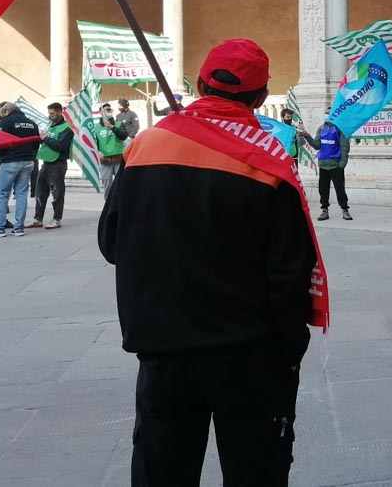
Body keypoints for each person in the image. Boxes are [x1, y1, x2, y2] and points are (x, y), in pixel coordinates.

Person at [99, 39, 319, 486]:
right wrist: (290, 349)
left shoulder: (147, 144)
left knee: (162, 473)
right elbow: (288, 273)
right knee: (254, 471)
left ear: (200, 84)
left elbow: (111, 242)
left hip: (163, 350)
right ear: (259, 98)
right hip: (248, 353)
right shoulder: (270, 160)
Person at [0, 102, 40, 238]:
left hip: (10, 161)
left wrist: (2, 154)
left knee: (2, 194)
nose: (1, 115)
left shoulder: (6, 122)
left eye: (2, 113)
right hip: (28, 161)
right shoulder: (31, 123)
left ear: (7, 111)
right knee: (21, 194)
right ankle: (19, 227)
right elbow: (36, 143)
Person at [29, 103, 73, 230]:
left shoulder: (66, 128)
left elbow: (61, 146)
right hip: (46, 162)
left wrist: (45, 138)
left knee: (57, 192)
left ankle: (57, 219)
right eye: (49, 113)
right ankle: (38, 219)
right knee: (40, 192)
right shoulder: (50, 126)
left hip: (58, 164)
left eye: (52, 113)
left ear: (60, 112)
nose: (50, 116)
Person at [301, 117, 352, 221]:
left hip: (336, 165)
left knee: (340, 189)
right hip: (323, 165)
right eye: (326, 114)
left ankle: (345, 210)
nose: (327, 116)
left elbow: (344, 147)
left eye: (329, 114)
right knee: (323, 189)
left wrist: (342, 165)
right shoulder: (321, 128)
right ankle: (324, 210)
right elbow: (317, 145)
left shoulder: (340, 129)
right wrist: (307, 136)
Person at [96, 103, 130, 198]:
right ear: (100, 112)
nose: (109, 111)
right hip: (105, 161)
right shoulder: (96, 127)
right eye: (106, 110)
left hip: (118, 160)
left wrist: (112, 127)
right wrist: (97, 152)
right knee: (108, 186)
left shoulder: (119, 124)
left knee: (121, 185)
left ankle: (120, 207)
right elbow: (93, 143)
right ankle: (108, 206)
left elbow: (123, 136)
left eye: (110, 109)